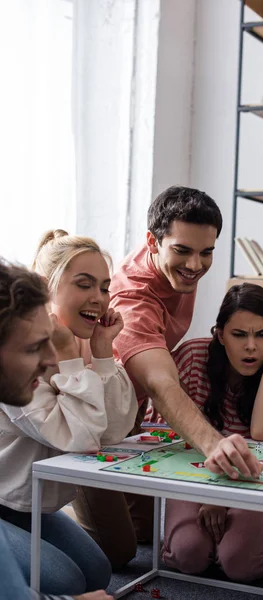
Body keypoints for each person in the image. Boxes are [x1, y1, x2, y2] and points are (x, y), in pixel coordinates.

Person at [73, 185, 263, 568]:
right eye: (182, 251)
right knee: (117, 554)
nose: (195, 265)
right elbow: (161, 383)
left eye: (206, 252)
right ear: (153, 243)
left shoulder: (179, 268)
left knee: (146, 531)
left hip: (130, 411)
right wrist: (215, 444)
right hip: (89, 419)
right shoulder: (132, 299)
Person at [0, 231, 138, 595]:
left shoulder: (69, 345)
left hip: (28, 507)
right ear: (48, 287)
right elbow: (81, 438)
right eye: (84, 284)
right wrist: (70, 358)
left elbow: (113, 431)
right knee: (68, 580)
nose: (99, 298)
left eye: (105, 287)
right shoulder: (19, 356)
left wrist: (104, 351)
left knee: (97, 571)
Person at [162, 283, 263, 581]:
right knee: (188, 555)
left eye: (262, 335)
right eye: (239, 335)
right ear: (220, 334)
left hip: (252, 477)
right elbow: (173, 439)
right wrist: (210, 492)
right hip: (192, 472)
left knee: (242, 564)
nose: (251, 346)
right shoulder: (191, 356)